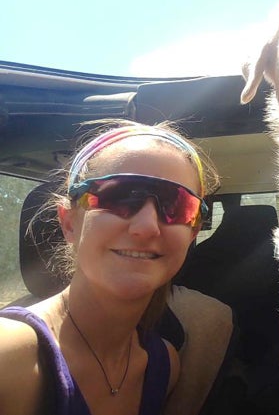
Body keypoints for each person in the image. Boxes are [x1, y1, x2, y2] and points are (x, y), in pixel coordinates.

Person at [0, 120, 219, 415]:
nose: (146, 226)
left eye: (177, 206)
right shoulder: (10, 356)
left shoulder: (164, 365)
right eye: (119, 196)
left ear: (192, 233)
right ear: (68, 223)